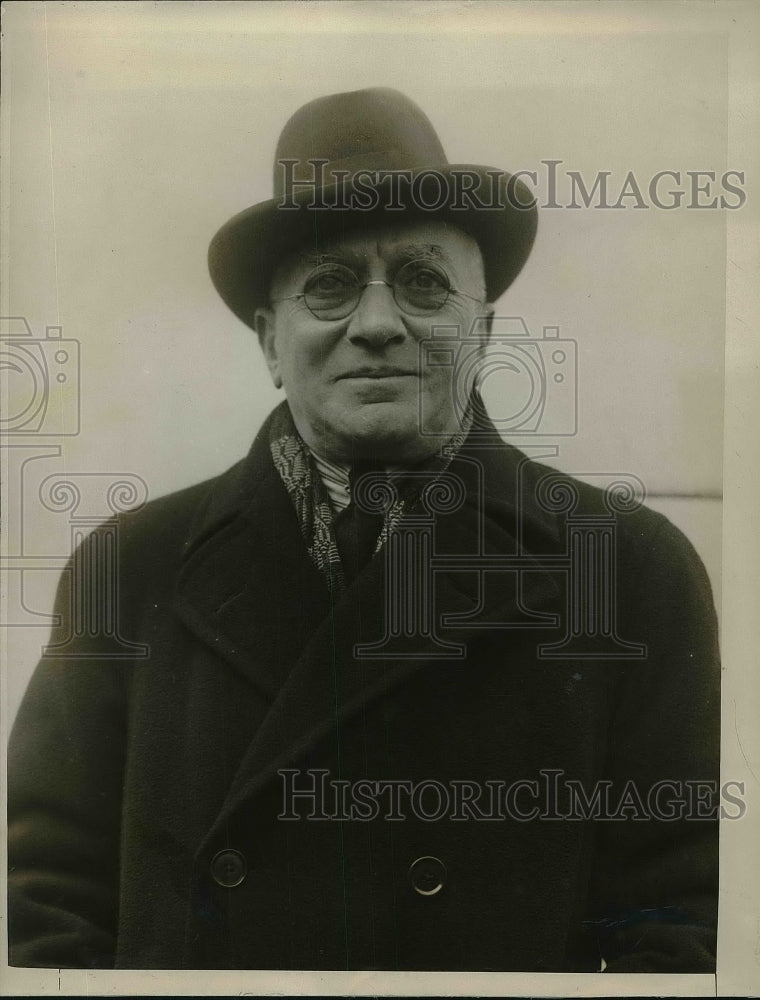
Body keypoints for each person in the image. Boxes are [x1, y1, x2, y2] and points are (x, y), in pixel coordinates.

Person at [8, 87, 719, 972]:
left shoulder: (629, 571)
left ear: (483, 328)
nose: (378, 324)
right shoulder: (128, 569)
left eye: (423, 282)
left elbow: (681, 925)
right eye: (330, 286)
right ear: (270, 343)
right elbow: (42, 907)